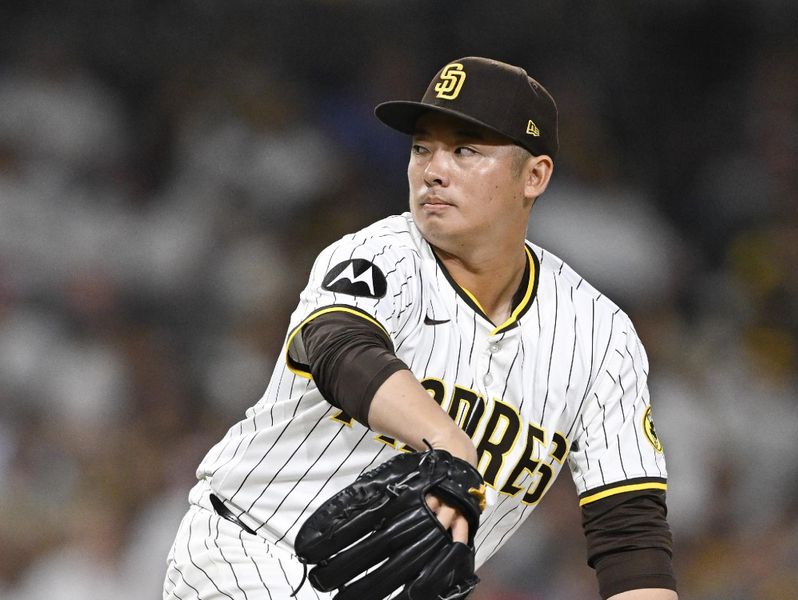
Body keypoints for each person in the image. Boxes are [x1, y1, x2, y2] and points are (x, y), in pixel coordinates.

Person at [162, 56, 677, 600]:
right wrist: (451, 446)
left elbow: (630, 534)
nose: (433, 170)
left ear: (534, 176)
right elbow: (339, 346)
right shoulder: (380, 254)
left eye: (465, 150)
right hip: (250, 550)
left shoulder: (601, 335)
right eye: (422, 148)